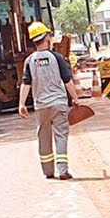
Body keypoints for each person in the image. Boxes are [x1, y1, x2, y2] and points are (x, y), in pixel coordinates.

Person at [17, 21, 80, 180]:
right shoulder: (56, 58)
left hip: (41, 106)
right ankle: (63, 171)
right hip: (58, 104)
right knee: (61, 135)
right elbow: (67, 80)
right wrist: (75, 98)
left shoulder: (29, 61)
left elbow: (26, 83)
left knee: (43, 137)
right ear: (46, 38)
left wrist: (22, 104)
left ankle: (48, 171)